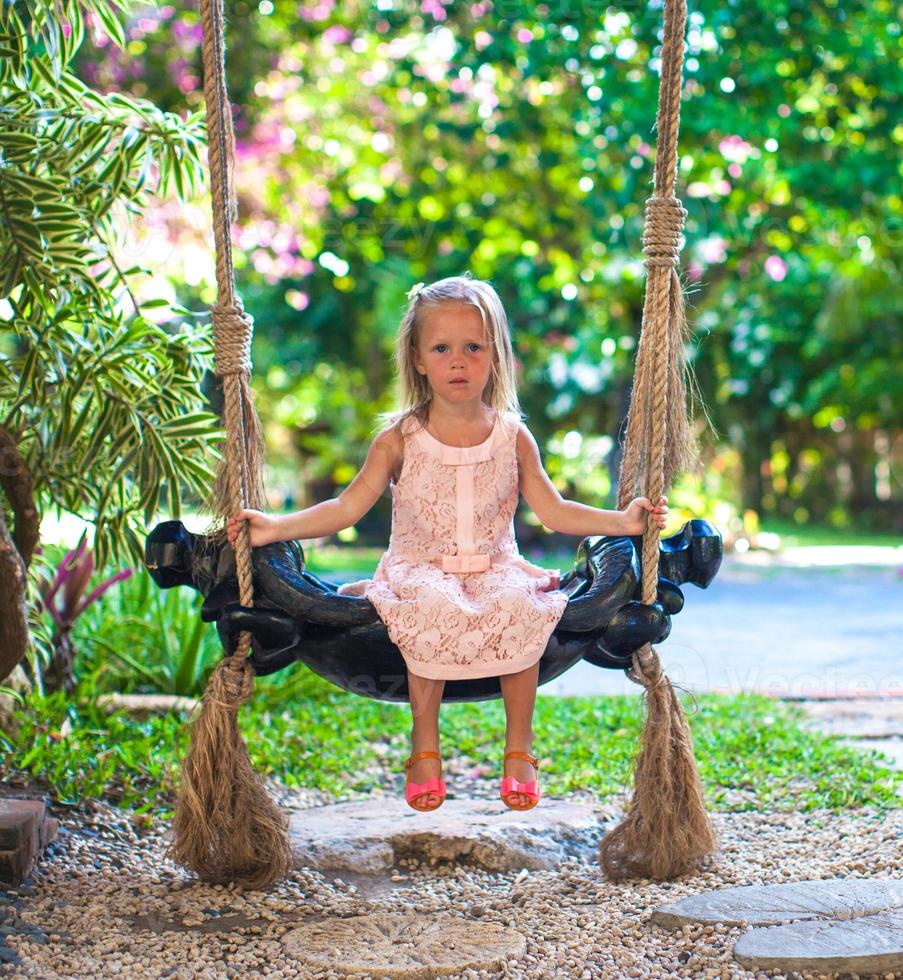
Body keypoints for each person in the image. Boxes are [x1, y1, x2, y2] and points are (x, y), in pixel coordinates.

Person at [226, 274, 667, 813]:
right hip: (420, 568)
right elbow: (345, 508)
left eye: (473, 348)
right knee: (432, 607)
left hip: (495, 566)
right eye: (442, 348)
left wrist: (624, 521)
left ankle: (519, 752)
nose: (457, 361)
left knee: (520, 606)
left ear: (495, 355)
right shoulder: (398, 439)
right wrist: (274, 527)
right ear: (417, 357)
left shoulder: (512, 436)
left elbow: (553, 511)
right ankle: (424, 748)